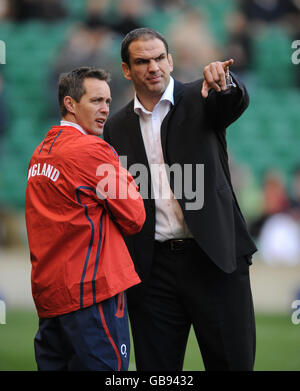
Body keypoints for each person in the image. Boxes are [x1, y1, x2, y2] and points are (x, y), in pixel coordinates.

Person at [104, 28, 257, 371]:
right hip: (152, 270)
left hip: (214, 260)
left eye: (159, 58)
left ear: (171, 61)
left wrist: (225, 81)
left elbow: (232, 100)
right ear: (127, 70)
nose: (153, 67)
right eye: (142, 61)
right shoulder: (116, 128)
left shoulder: (202, 96)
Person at [25, 67, 145, 371]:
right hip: (91, 293)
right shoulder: (92, 150)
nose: (105, 108)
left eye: (107, 100)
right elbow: (134, 216)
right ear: (70, 104)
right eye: (95, 101)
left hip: (51, 295)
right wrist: (127, 178)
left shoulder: (40, 153)